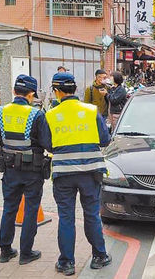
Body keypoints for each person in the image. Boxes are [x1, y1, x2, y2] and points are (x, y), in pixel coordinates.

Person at [41, 73, 112, 276]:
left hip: (64, 174)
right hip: (91, 172)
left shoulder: (51, 114)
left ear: (57, 91)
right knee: (91, 214)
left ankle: (67, 263)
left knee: (66, 217)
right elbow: (105, 140)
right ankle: (99, 256)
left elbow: (47, 143)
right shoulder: (91, 110)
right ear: (75, 90)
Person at [0, 75, 49, 265]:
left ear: (14, 91)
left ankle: (5, 251)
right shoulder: (37, 115)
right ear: (31, 94)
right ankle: (26, 253)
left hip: (9, 169)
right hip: (32, 171)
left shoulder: (0, 111)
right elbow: (47, 143)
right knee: (30, 210)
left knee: (9, 209)